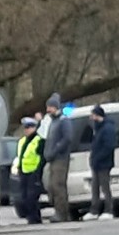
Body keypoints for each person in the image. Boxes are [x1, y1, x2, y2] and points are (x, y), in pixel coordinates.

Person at [43, 93, 73, 223]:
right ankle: (58, 210)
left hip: (60, 158)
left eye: (50, 107)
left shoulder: (63, 121)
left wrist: (55, 151)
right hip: (52, 159)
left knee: (58, 185)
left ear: (56, 107)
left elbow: (67, 138)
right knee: (51, 186)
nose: (48, 110)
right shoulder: (52, 122)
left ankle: (62, 213)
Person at [84, 106, 116, 220]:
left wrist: (98, 158)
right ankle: (94, 210)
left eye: (92, 115)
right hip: (97, 163)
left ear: (97, 115)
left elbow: (109, 146)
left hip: (104, 163)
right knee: (95, 187)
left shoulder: (107, 128)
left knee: (105, 186)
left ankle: (109, 209)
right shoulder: (98, 128)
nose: (91, 118)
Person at [13, 117, 43, 224]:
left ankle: (35, 218)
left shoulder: (38, 141)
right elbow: (20, 156)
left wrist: (38, 172)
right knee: (24, 197)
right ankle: (30, 218)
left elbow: (42, 158)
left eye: (29, 127)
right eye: (25, 128)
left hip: (33, 172)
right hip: (23, 172)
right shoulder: (22, 141)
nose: (26, 130)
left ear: (34, 128)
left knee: (32, 197)